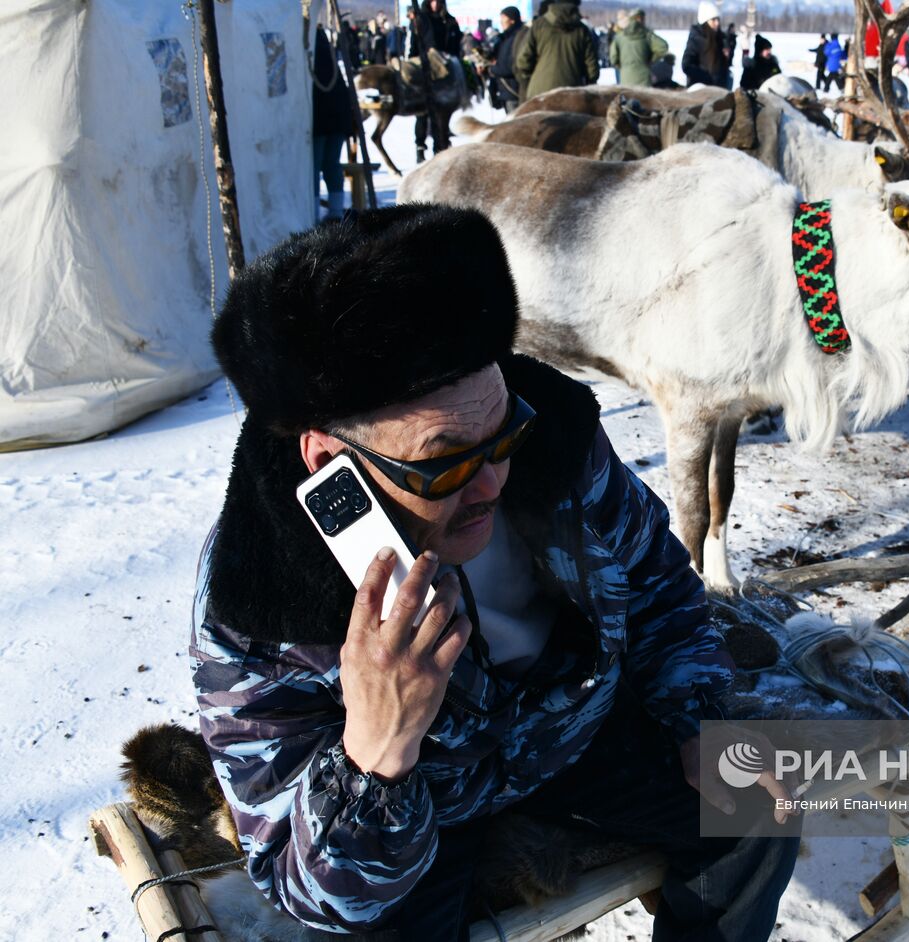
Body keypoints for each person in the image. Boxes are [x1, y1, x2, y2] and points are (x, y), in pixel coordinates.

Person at [193, 205, 801, 939]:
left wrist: (698, 718)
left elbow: (658, 582)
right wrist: (379, 753)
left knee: (755, 807)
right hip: (420, 810)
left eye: (502, 432)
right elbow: (314, 889)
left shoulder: (556, 443)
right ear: (329, 462)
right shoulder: (262, 601)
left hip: (574, 733)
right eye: (445, 459)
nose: (491, 484)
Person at [408, 0, 462, 162]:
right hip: (425, 69)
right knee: (423, 112)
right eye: (432, 1)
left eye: (438, 1)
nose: (435, 4)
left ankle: (441, 144)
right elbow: (414, 46)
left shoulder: (449, 20)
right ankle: (420, 147)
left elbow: (455, 45)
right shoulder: (422, 19)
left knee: (443, 112)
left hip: (445, 71)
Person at [514, 0, 600, 101]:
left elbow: (523, 61)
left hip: (540, 92)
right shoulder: (582, 30)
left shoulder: (539, 25)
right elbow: (592, 70)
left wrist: (530, 76)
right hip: (572, 93)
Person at [310, 25, 352, 220]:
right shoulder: (332, 65)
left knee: (316, 168)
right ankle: (334, 210)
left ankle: (315, 213)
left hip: (319, 126)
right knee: (331, 166)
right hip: (335, 124)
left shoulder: (311, 64)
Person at [610, 9, 668, 88]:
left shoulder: (620, 36)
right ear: (640, 18)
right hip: (644, 79)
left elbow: (613, 58)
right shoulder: (647, 34)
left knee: (627, 99)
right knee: (644, 99)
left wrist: (623, 66)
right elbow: (663, 47)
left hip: (625, 78)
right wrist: (651, 60)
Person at [487, 5, 526, 112]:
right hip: (507, 91)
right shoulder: (505, 38)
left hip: (514, 91)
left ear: (512, 20)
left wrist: (492, 69)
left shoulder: (517, 38)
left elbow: (510, 66)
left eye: (503, 17)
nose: (501, 21)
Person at [682, 1, 726, 87]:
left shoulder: (720, 38)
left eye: (718, 19)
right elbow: (686, 65)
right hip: (701, 90)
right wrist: (706, 78)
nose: (717, 23)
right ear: (705, 21)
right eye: (713, 20)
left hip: (718, 88)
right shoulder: (696, 37)